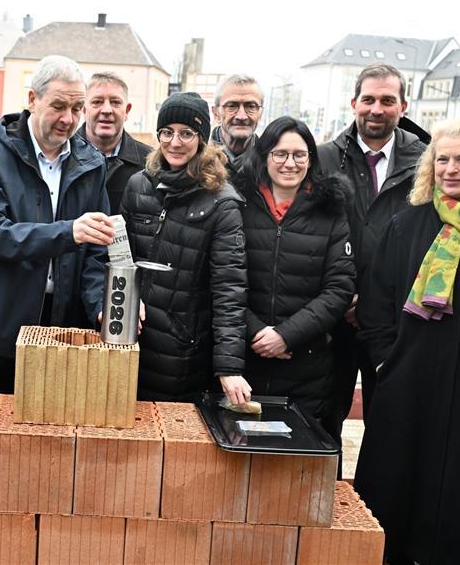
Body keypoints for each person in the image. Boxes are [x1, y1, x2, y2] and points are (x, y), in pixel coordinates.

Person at [354, 119, 460, 565]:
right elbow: (376, 303)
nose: (451, 169)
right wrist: (386, 363)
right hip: (408, 384)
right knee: (395, 498)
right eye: (443, 159)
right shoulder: (406, 225)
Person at [0, 55, 114, 394]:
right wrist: (67, 232)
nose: (68, 119)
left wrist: (102, 304)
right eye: (58, 106)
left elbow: (98, 253)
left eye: (77, 108)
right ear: (31, 100)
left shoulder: (91, 163)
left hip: (62, 333)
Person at [318, 63, 427, 442]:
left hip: (395, 319)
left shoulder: (426, 163)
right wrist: (342, 297)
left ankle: (377, 501)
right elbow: (313, 234)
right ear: (354, 103)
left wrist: (378, 301)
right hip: (335, 315)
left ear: (404, 105)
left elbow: (430, 241)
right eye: (368, 99)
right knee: (325, 416)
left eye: (387, 100)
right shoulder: (325, 159)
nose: (376, 109)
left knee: (390, 423)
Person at [120, 91, 249, 403]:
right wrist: (122, 300)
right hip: (130, 342)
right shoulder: (139, 185)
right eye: (167, 132)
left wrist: (228, 366)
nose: (174, 143)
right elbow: (117, 255)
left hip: (181, 353)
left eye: (186, 133)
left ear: (202, 138)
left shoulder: (221, 202)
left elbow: (229, 288)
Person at [232, 116, 354, 437]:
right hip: (244, 361)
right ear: (264, 156)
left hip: (305, 366)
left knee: (293, 463)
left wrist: (286, 335)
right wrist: (257, 333)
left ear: (310, 159)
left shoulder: (330, 210)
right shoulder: (238, 205)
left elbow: (338, 288)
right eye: (280, 154)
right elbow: (222, 280)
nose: (290, 163)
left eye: (299, 155)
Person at [76, 72, 152, 214]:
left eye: (115, 102)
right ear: (84, 109)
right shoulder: (61, 156)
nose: (106, 110)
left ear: (127, 111)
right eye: (97, 102)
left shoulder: (151, 163)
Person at [210, 74, 264, 171]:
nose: (241, 116)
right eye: (231, 106)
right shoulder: (195, 161)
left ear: (260, 114)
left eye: (251, 106)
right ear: (216, 113)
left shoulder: (272, 163)